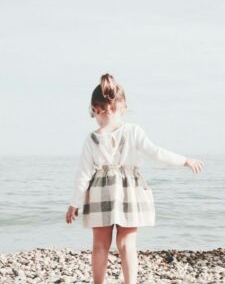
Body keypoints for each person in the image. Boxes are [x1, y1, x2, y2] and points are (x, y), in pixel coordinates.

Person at [65, 73, 204, 284]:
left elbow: (83, 174)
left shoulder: (92, 139)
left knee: (100, 245)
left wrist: (74, 204)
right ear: (123, 106)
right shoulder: (133, 131)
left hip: (100, 192)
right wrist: (184, 160)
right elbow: (156, 153)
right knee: (127, 243)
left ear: (95, 109)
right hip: (129, 190)